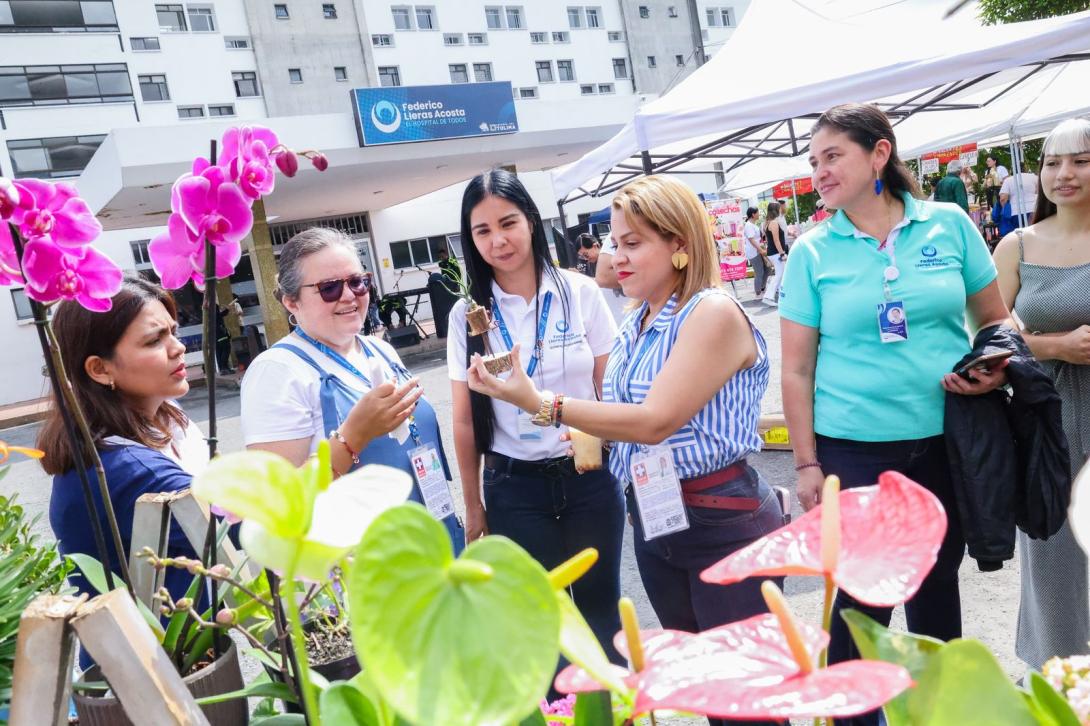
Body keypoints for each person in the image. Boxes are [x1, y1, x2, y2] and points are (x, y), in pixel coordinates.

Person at [466, 174, 786, 726]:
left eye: (633, 243)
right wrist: (594, 432)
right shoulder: (639, 319)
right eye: (615, 243)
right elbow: (629, 414)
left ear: (680, 245)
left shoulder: (710, 312)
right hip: (658, 520)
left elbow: (656, 420)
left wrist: (541, 403)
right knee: (709, 698)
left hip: (720, 520)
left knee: (747, 706)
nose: (617, 257)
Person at [779, 103, 1010, 726]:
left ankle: (937, 714)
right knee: (860, 604)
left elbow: (996, 319)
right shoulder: (811, 252)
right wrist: (805, 464)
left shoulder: (949, 225)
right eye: (813, 162)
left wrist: (996, 364)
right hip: (855, 451)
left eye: (833, 157)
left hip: (946, 440)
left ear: (879, 154)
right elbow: (796, 369)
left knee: (937, 588)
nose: (819, 173)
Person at [446, 168, 624, 662]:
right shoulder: (467, 315)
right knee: (541, 626)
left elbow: (610, 383)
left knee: (600, 614)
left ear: (531, 220)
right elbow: (463, 419)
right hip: (514, 490)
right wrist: (475, 503)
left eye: (508, 223)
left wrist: (605, 439)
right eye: (482, 231)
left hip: (588, 479)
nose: (498, 240)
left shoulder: (579, 292)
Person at [240, 227, 464, 552]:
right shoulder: (277, 371)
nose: (349, 296)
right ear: (291, 301)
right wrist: (353, 436)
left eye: (357, 282)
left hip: (435, 542)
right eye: (329, 288)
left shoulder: (378, 349)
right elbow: (277, 504)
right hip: (367, 571)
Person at [40, 276, 210, 664]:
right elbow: (241, 531)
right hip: (155, 675)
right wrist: (345, 446)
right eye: (154, 341)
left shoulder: (164, 427)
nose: (178, 347)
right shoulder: (128, 468)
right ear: (100, 369)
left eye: (174, 331)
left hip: (153, 659)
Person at [992, 117, 1090, 673]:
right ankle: (1063, 685)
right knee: (1053, 565)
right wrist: (1054, 346)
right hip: (1048, 428)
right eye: (1052, 162)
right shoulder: (1017, 246)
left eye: (1080, 160)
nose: (1064, 173)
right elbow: (983, 338)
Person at [761, 201, 788, 306]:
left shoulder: (767, 222)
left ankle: (781, 294)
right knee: (779, 274)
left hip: (772, 252)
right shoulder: (774, 223)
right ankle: (768, 296)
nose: (781, 209)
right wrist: (782, 254)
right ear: (776, 210)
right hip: (776, 253)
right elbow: (776, 240)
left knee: (781, 274)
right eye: (779, 208)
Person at [742, 206, 768, 297]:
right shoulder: (748, 225)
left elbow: (757, 238)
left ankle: (762, 287)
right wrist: (760, 250)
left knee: (767, 269)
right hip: (754, 252)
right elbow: (751, 240)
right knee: (759, 272)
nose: (759, 214)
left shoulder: (753, 224)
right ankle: (758, 292)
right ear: (753, 214)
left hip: (758, 250)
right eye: (757, 212)